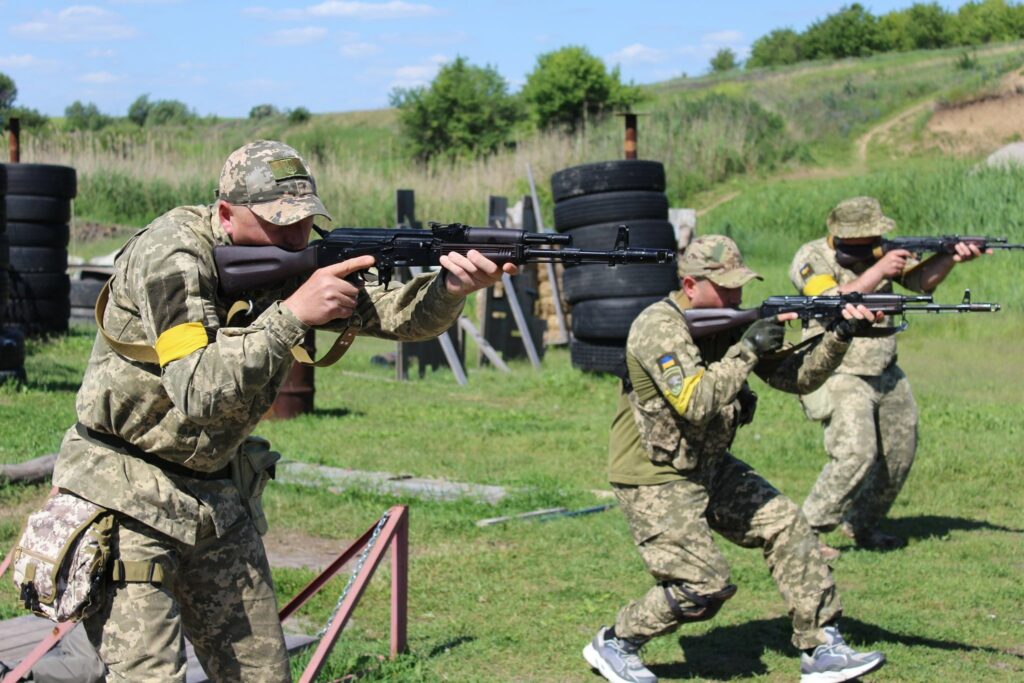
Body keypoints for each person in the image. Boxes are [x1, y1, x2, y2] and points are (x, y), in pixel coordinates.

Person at [45, 140, 515, 682]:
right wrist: (293, 314)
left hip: (214, 496)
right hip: (125, 494)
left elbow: (395, 317)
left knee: (264, 675)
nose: (295, 239)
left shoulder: (290, 258)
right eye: (278, 223)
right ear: (225, 213)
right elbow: (197, 390)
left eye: (304, 222)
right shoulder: (171, 255)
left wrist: (452, 287)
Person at [584, 235, 887, 683]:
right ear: (690, 284)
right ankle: (616, 642)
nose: (737, 297)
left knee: (787, 523)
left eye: (740, 286)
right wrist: (747, 349)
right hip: (655, 475)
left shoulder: (726, 321)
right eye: (726, 289)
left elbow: (797, 377)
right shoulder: (657, 327)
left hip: (708, 465)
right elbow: (695, 401)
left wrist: (839, 336)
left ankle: (821, 647)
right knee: (702, 587)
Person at [789, 197, 984, 553]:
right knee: (856, 454)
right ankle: (806, 533)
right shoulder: (811, 257)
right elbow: (829, 298)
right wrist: (879, 271)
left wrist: (950, 257)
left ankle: (861, 524)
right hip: (840, 370)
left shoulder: (882, 252)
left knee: (899, 453)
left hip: (885, 368)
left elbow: (921, 282)